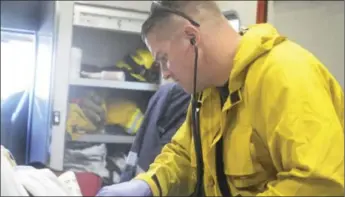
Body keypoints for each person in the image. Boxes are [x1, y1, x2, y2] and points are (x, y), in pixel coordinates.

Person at [97, 1, 344, 196]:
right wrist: (150, 184)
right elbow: (185, 155)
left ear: (191, 37)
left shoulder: (285, 74)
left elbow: (320, 183)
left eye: (163, 58)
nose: (166, 72)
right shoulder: (208, 90)